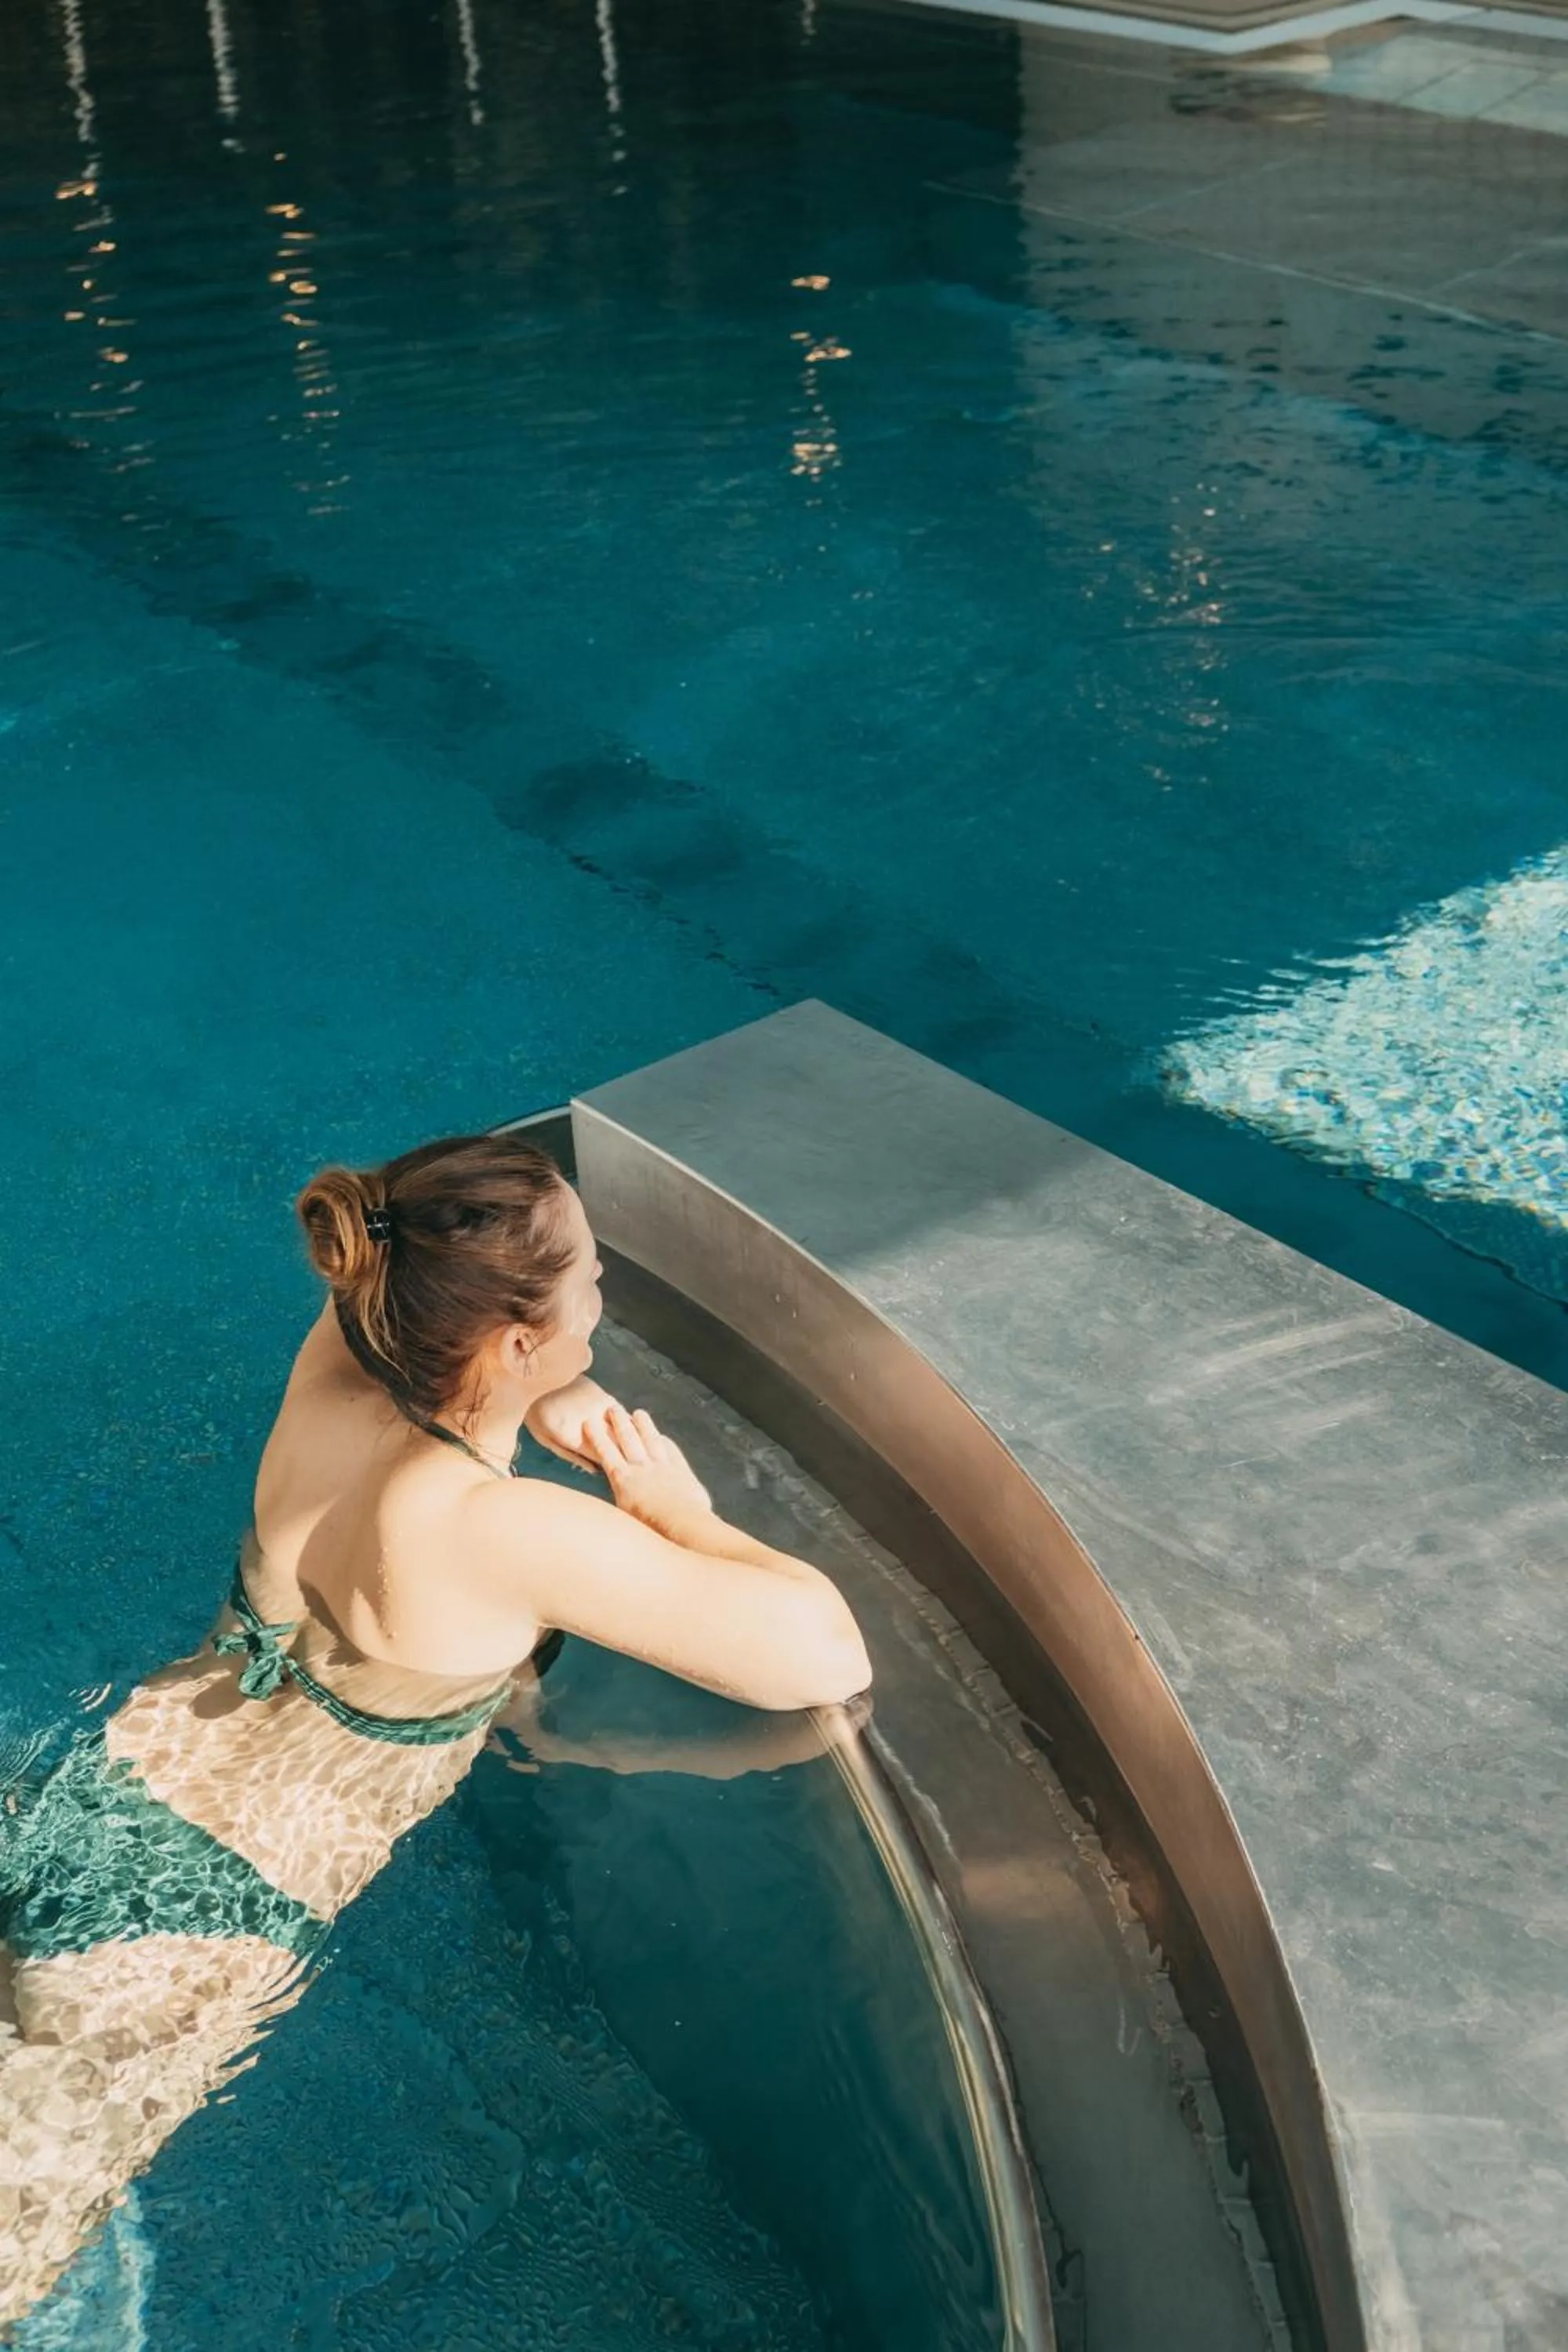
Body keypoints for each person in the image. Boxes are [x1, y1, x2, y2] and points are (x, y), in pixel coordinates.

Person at [0, 1130, 871, 2331]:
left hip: (100, 1787)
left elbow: (446, 1349)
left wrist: (540, 1389)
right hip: (204, 1920)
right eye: (594, 1293)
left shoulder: (342, 1355)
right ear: (517, 1339)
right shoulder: (498, 1530)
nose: (601, 1307)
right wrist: (679, 1510)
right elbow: (823, 1654)